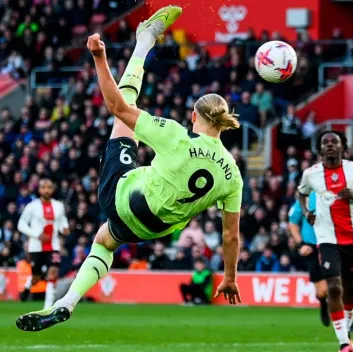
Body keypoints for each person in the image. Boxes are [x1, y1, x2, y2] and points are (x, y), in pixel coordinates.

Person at [17, 6, 243, 332]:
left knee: (126, 112)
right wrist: (230, 277)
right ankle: (66, 302)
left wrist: (98, 58)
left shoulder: (177, 136)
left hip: (123, 197)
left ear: (195, 117)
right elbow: (230, 235)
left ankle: (144, 42)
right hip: (152, 229)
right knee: (104, 241)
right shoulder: (233, 175)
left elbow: (115, 107)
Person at [297, 131, 353, 352]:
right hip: (326, 239)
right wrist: (306, 211)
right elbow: (300, 193)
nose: (330, 145)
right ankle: (343, 343)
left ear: (343, 147)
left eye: (334, 142)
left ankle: (346, 333)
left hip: (352, 239)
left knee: (349, 288)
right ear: (320, 149)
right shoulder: (311, 174)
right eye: (325, 143)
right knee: (333, 286)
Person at [17, 178, 70, 309]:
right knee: (36, 277)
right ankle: (27, 287)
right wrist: (36, 235)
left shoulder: (58, 206)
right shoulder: (32, 206)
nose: (46, 190)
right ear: (39, 189)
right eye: (43, 187)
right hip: (36, 247)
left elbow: (63, 221)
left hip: (54, 245)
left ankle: (47, 307)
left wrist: (65, 228)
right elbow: (21, 224)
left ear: (52, 189)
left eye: (49, 187)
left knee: (53, 273)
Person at [288, 191, 330, 327]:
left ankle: (347, 320)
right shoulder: (306, 197)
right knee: (323, 290)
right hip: (311, 247)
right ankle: (323, 304)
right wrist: (301, 244)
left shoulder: (334, 192)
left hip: (331, 244)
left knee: (338, 285)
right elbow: (293, 222)